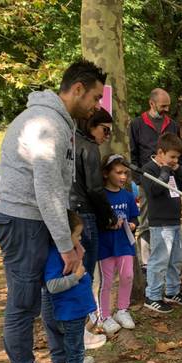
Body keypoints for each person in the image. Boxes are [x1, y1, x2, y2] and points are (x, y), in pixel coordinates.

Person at [0, 59, 106, 363]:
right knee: (23, 305)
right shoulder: (47, 124)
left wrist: (67, 238)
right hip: (19, 218)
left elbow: (55, 191)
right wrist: (68, 246)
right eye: (95, 97)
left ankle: (61, 362)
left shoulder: (59, 121)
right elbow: (48, 192)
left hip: (35, 218)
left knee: (46, 295)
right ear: (78, 89)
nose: (98, 105)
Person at [44, 211, 110, 363]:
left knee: (76, 350)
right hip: (69, 313)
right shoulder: (55, 256)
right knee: (76, 352)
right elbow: (52, 286)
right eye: (77, 234)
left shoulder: (70, 251)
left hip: (76, 311)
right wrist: (77, 276)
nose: (80, 238)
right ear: (63, 234)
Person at [71, 108, 118, 350]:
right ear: (92, 125)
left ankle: (78, 330)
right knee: (85, 274)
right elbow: (95, 189)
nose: (107, 135)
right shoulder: (88, 148)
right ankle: (82, 332)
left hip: (72, 213)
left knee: (78, 273)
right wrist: (108, 215)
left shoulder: (71, 142)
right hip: (85, 214)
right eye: (105, 130)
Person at [129, 88, 179, 276]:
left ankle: (166, 258)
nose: (166, 109)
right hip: (147, 178)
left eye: (168, 106)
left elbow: (177, 149)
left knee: (167, 217)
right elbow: (132, 151)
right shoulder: (137, 124)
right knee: (146, 220)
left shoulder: (172, 124)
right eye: (163, 106)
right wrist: (139, 179)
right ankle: (146, 261)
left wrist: (176, 169)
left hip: (169, 178)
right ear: (152, 104)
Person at [142, 133, 182, 313]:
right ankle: (153, 295)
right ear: (160, 153)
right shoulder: (149, 169)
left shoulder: (172, 169)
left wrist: (177, 171)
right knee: (159, 260)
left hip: (174, 220)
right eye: (172, 157)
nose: (174, 160)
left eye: (177, 157)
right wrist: (164, 170)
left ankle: (172, 291)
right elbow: (154, 191)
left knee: (175, 259)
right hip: (161, 223)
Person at [97, 154, 140, 334]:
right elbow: (96, 219)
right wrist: (108, 223)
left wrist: (132, 224)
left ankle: (122, 310)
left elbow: (134, 217)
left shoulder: (128, 196)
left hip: (124, 244)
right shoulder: (100, 196)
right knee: (106, 281)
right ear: (106, 173)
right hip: (105, 246)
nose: (123, 177)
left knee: (127, 276)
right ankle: (104, 316)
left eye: (126, 173)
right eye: (119, 173)